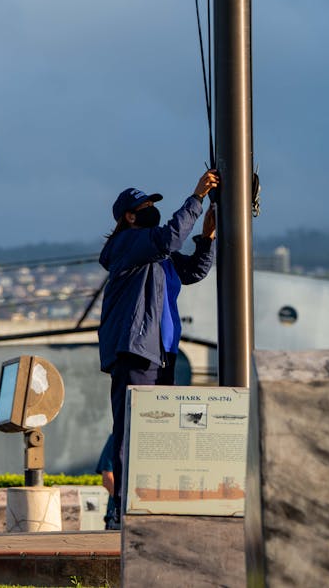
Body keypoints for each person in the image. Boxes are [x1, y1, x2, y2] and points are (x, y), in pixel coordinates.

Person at [98, 173, 219, 528]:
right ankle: (123, 507)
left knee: (160, 431)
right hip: (135, 350)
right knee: (132, 429)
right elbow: (169, 238)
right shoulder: (128, 243)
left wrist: (207, 239)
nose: (151, 208)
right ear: (129, 216)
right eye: (145, 206)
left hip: (161, 352)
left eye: (152, 204)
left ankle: (155, 502)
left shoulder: (155, 252)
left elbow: (194, 271)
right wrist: (197, 197)